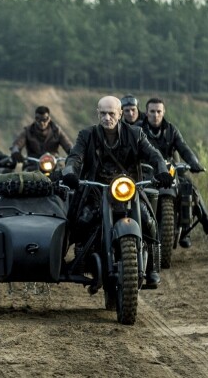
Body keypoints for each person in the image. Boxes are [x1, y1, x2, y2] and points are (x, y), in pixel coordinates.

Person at [60, 96, 173, 288]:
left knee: (148, 222)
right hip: (96, 190)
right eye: (103, 113)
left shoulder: (136, 134)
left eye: (111, 113)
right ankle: (66, 261)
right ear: (97, 114)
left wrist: (162, 170)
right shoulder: (87, 135)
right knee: (78, 221)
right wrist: (71, 172)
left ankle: (153, 268)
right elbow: (75, 157)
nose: (107, 118)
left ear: (120, 114)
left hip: (128, 189)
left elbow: (154, 155)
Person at [141, 97, 208, 248]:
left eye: (158, 111)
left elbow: (184, 148)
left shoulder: (171, 130)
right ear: (146, 113)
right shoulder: (139, 129)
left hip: (169, 169)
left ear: (163, 112)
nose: (155, 115)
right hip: (146, 170)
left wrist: (194, 163)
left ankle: (192, 228)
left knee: (188, 187)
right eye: (152, 111)